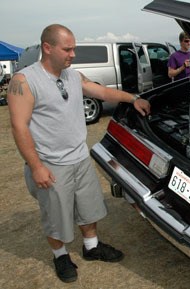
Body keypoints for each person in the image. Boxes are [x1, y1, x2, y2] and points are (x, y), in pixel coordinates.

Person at [6, 24, 151, 283]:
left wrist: (132, 98)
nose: (73, 54)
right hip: (51, 164)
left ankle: (91, 246)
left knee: (89, 208)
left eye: (74, 48)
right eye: (68, 49)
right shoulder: (24, 81)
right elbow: (19, 126)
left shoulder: (73, 76)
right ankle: (60, 255)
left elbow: (103, 92)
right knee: (56, 217)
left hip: (80, 158)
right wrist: (36, 165)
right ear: (47, 48)